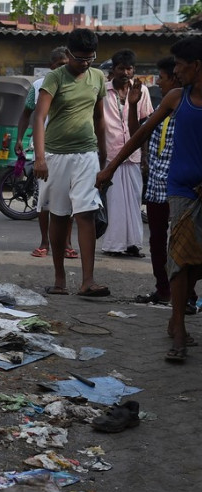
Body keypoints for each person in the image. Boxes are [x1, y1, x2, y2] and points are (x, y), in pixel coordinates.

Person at [98, 37, 202, 362]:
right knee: (180, 261)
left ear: (196, 66)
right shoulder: (174, 98)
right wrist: (110, 168)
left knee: (194, 263)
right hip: (181, 192)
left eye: (180, 66)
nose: (176, 71)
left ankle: (178, 320)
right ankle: (179, 332)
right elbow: (139, 135)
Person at [31, 28, 109, 297]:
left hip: (87, 154)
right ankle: (60, 279)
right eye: (79, 58)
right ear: (68, 53)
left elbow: (99, 118)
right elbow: (39, 117)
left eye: (90, 58)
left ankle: (88, 281)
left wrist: (104, 153)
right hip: (56, 156)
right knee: (60, 216)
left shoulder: (98, 77)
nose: (85, 63)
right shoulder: (54, 78)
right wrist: (39, 157)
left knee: (86, 213)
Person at [15, 46, 77, 260]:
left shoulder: (76, 84)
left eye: (67, 63)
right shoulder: (39, 85)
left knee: (69, 200)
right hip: (44, 150)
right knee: (43, 200)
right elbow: (26, 115)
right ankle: (44, 243)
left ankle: (67, 243)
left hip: (70, 149)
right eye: (60, 64)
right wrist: (19, 139)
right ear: (52, 66)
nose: (64, 67)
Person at [129, 57, 180, 305]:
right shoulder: (161, 110)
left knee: (181, 244)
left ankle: (186, 296)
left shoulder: (189, 111)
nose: (158, 82)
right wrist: (132, 105)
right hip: (157, 186)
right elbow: (137, 134)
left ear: (177, 78)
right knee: (157, 241)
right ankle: (163, 290)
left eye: (162, 77)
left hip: (182, 187)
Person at [99, 50, 153, 257]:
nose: (125, 72)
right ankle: (114, 245)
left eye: (129, 68)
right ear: (113, 70)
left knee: (133, 201)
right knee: (113, 202)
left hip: (133, 155)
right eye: (121, 68)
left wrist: (145, 156)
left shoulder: (143, 92)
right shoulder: (102, 91)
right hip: (110, 153)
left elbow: (145, 125)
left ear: (134, 70)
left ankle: (133, 244)